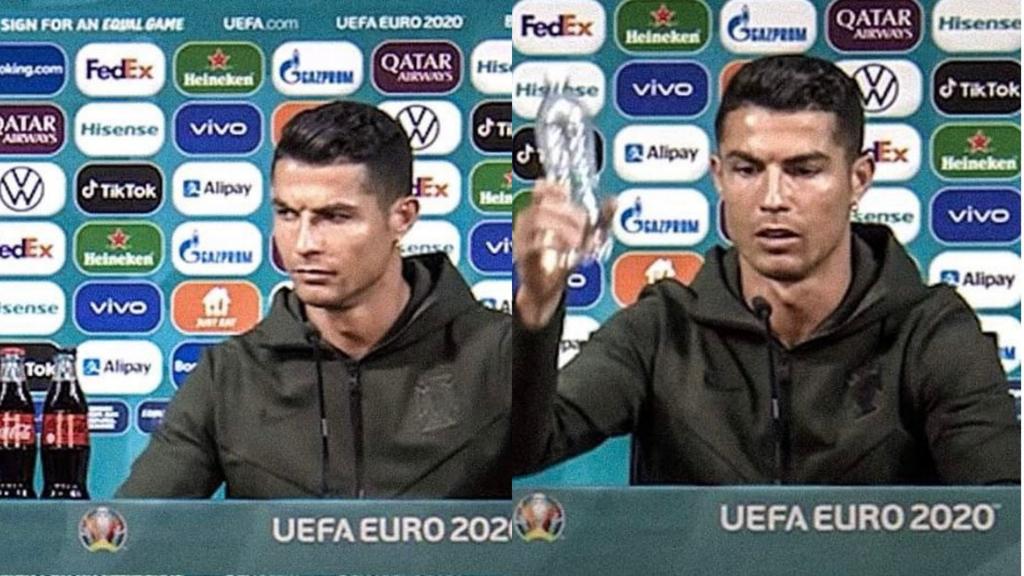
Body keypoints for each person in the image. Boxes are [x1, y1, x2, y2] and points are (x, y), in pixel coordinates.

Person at [512, 55, 1020, 485]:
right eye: (748, 169)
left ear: (859, 178)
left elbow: (1003, 520)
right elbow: (517, 450)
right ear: (718, 177)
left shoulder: (930, 333)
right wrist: (535, 311)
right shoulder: (663, 329)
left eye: (804, 170)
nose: (773, 198)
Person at [118, 101, 510, 499]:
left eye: (335, 217)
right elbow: (129, 529)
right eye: (288, 214)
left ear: (402, 218)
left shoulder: (495, 355)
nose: (304, 244)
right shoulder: (232, 374)